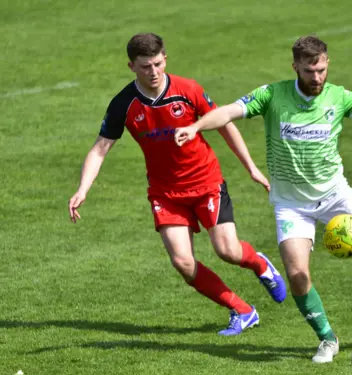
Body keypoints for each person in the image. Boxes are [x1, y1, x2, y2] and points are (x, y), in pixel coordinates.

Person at [174, 36, 352, 363]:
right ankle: (327, 338)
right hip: (291, 204)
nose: (317, 77)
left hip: (335, 194)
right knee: (297, 274)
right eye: (310, 71)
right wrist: (197, 126)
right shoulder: (272, 95)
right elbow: (228, 111)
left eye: (322, 69)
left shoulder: (338, 97)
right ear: (295, 66)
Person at [68, 33, 286, 335]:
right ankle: (242, 310)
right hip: (165, 192)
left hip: (206, 182)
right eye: (145, 67)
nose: (153, 72)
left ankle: (260, 265)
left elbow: (224, 124)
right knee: (183, 263)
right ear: (132, 66)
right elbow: (100, 148)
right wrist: (83, 189)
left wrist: (251, 168)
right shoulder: (124, 104)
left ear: (165, 59)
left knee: (227, 251)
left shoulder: (188, 90)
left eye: (157, 64)